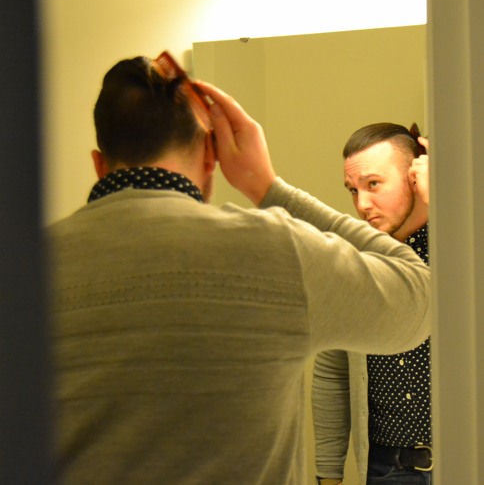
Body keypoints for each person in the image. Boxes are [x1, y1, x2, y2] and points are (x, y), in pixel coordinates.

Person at [47, 55, 431, 485]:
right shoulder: (277, 250)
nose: (362, 203)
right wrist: (268, 187)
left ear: (99, 164)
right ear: (209, 158)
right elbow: (417, 299)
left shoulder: (20, 270)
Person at [312, 123, 431, 485]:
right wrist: (328, 476)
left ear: (415, 177)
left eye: (373, 184)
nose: (362, 205)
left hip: (468, 458)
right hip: (387, 469)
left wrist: (448, 203)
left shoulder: (465, 241)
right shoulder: (351, 262)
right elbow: (332, 372)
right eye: (353, 190)